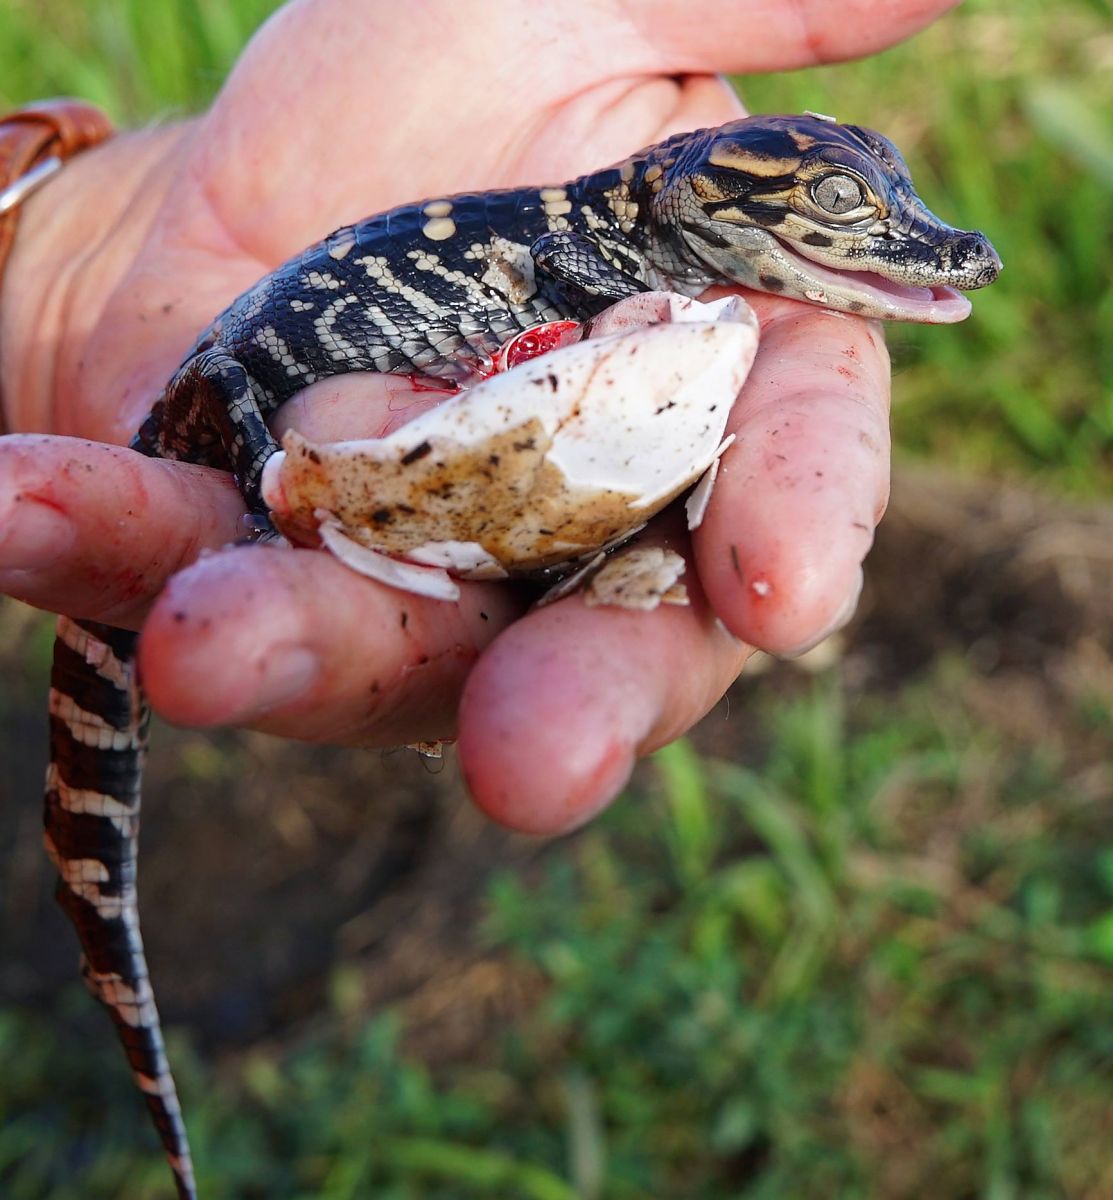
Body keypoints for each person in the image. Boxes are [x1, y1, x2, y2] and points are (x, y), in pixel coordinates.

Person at [0, 0, 957, 834]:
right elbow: (562, 300)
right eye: (836, 204)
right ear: (699, 194)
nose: (903, 239)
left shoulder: (618, 240)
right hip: (232, 381)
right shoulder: (591, 253)